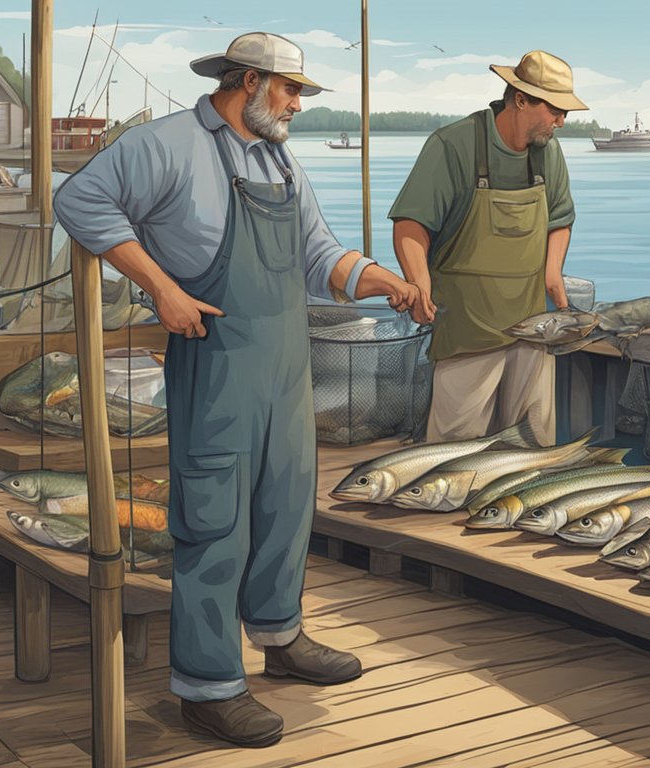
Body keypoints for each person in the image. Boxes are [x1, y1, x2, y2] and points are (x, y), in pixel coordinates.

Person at [54, 32, 419, 747]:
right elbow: (81, 200)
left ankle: (281, 636)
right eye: (289, 91)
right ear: (246, 82)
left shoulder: (279, 158)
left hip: (286, 364)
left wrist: (384, 282)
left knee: (286, 504)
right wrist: (160, 287)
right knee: (214, 519)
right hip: (216, 358)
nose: (296, 105)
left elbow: (317, 255)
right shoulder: (166, 145)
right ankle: (208, 683)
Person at [390, 50, 585, 446]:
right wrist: (420, 285)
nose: (561, 121)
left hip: (532, 332)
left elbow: (560, 219)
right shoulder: (453, 145)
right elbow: (411, 225)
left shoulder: (548, 153)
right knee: (454, 460)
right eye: (555, 109)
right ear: (521, 99)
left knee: (529, 450)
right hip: (468, 332)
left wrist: (553, 279)